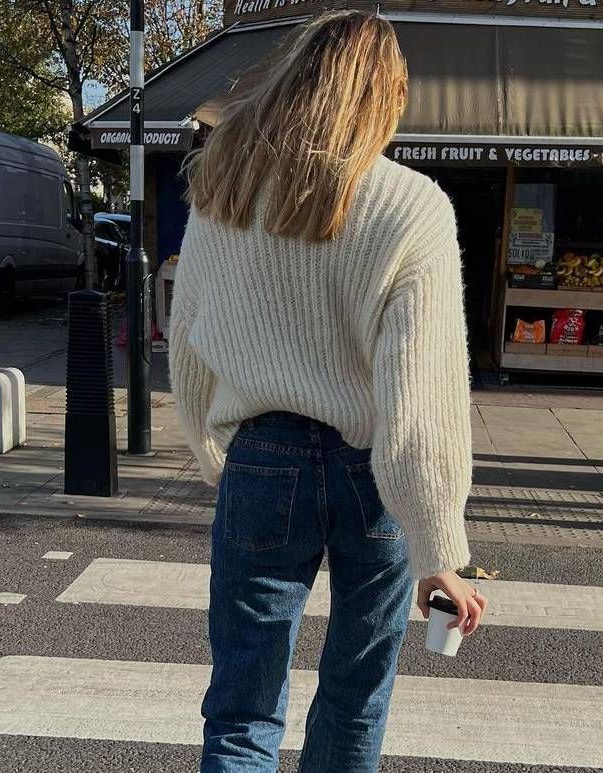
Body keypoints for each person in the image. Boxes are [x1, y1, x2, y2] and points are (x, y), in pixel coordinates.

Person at [169, 10, 486, 772]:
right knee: (354, 691)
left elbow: (187, 336)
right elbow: (423, 386)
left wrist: (215, 450)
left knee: (242, 699)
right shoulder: (412, 205)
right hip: (370, 469)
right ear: (387, 96)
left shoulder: (225, 190)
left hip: (261, 453)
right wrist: (441, 548)